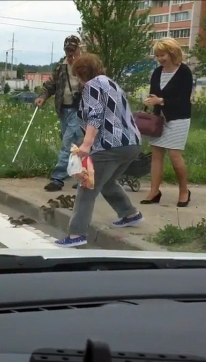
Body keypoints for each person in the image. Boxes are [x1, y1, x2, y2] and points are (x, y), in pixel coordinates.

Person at [55, 54, 144, 248]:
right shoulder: (111, 84)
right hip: (132, 143)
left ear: (81, 72)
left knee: (86, 187)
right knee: (108, 181)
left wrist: (86, 145)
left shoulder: (92, 86)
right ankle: (130, 214)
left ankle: (77, 234)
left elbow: (95, 114)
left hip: (110, 145)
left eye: (77, 75)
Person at [141, 38, 193, 207]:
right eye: (157, 56)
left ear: (172, 53)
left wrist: (161, 101)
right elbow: (153, 93)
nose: (160, 59)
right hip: (159, 120)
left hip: (178, 118)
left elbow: (183, 99)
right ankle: (154, 191)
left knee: (174, 155)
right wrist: (150, 100)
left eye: (162, 55)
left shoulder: (184, 72)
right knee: (156, 155)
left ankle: (184, 191)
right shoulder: (157, 73)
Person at [35, 35, 84, 192]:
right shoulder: (60, 67)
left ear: (79, 49)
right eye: (68, 51)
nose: (71, 55)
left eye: (73, 51)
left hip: (80, 111)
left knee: (67, 143)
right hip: (64, 109)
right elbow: (51, 85)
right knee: (76, 145)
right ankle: (81, 175)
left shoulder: (86, 65)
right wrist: (43, 96)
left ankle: (58, 179)